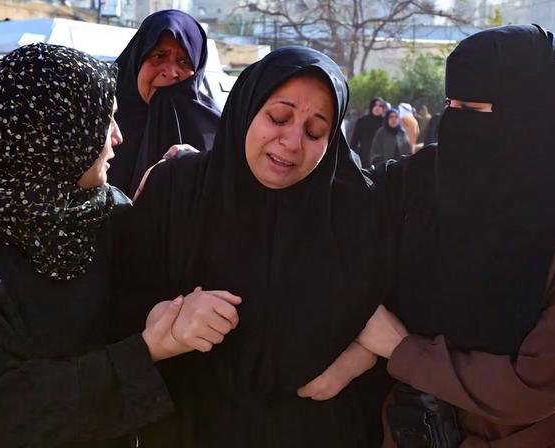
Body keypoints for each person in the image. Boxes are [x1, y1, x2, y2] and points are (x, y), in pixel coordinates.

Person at [0, 43, 239, 448]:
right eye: (104, 121)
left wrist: (183, 188)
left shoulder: (109, 213)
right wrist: (144, 351)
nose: (118, 137)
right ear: (51, 130)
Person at [352, 25, 555, 447]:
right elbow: (343, 199)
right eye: (451, 105)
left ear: (533, 116)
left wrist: (400, 348)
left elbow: (534, 385)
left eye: (473, 108)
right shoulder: (433, 177)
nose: (456, 124)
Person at [116, 46, 391, 447]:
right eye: (278, 118)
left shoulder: (356, 212)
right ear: (247, 108)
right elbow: (118, 304)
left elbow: (395, 315)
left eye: (315, 132)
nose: (292, 142)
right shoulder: (176, 189)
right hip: (190, 428)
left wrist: (358, 359)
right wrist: (168, 318)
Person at [108, 9, 220, 196]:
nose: (171, 73)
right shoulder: (101, 117)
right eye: (159, 56)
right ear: (138, 58)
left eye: (183, 61)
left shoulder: (213, 131)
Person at [351, 97, 386, 167]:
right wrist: (351, 156)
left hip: (382, 157)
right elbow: (354, 141)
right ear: (371, 106)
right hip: (365, 156)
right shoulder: (362, 121)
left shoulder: (385, 122)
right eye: (375, 105)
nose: (377, 107)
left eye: (380, 106)